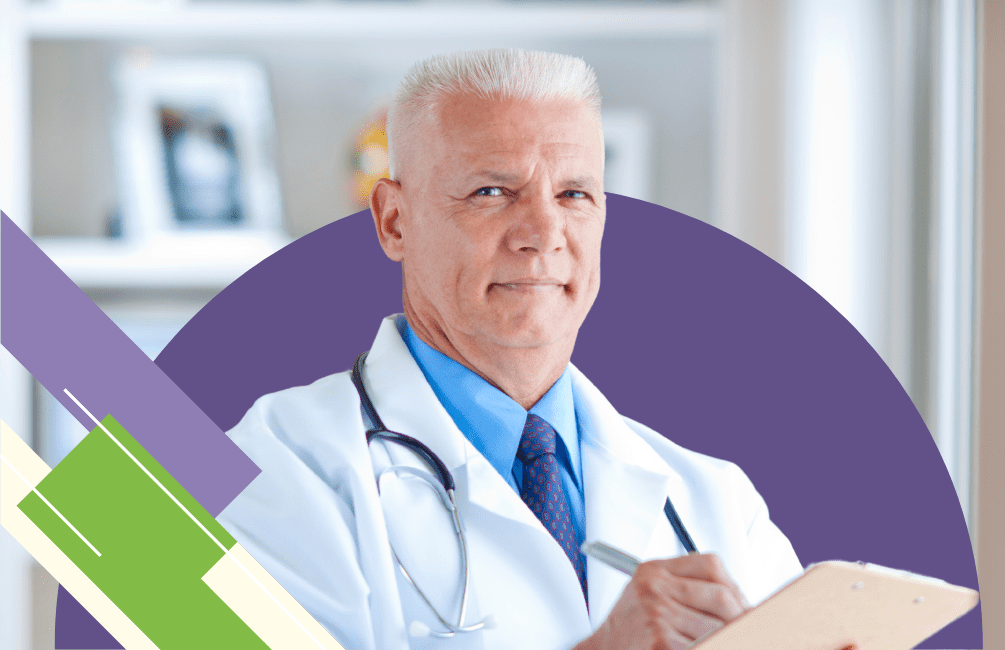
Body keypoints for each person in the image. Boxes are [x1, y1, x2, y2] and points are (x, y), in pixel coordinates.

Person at [218, 49, 802, 650]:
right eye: (493, 191)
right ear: (395, 221)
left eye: (575, 194)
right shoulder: (272, 470)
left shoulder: (715, 502)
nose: (544, 234)